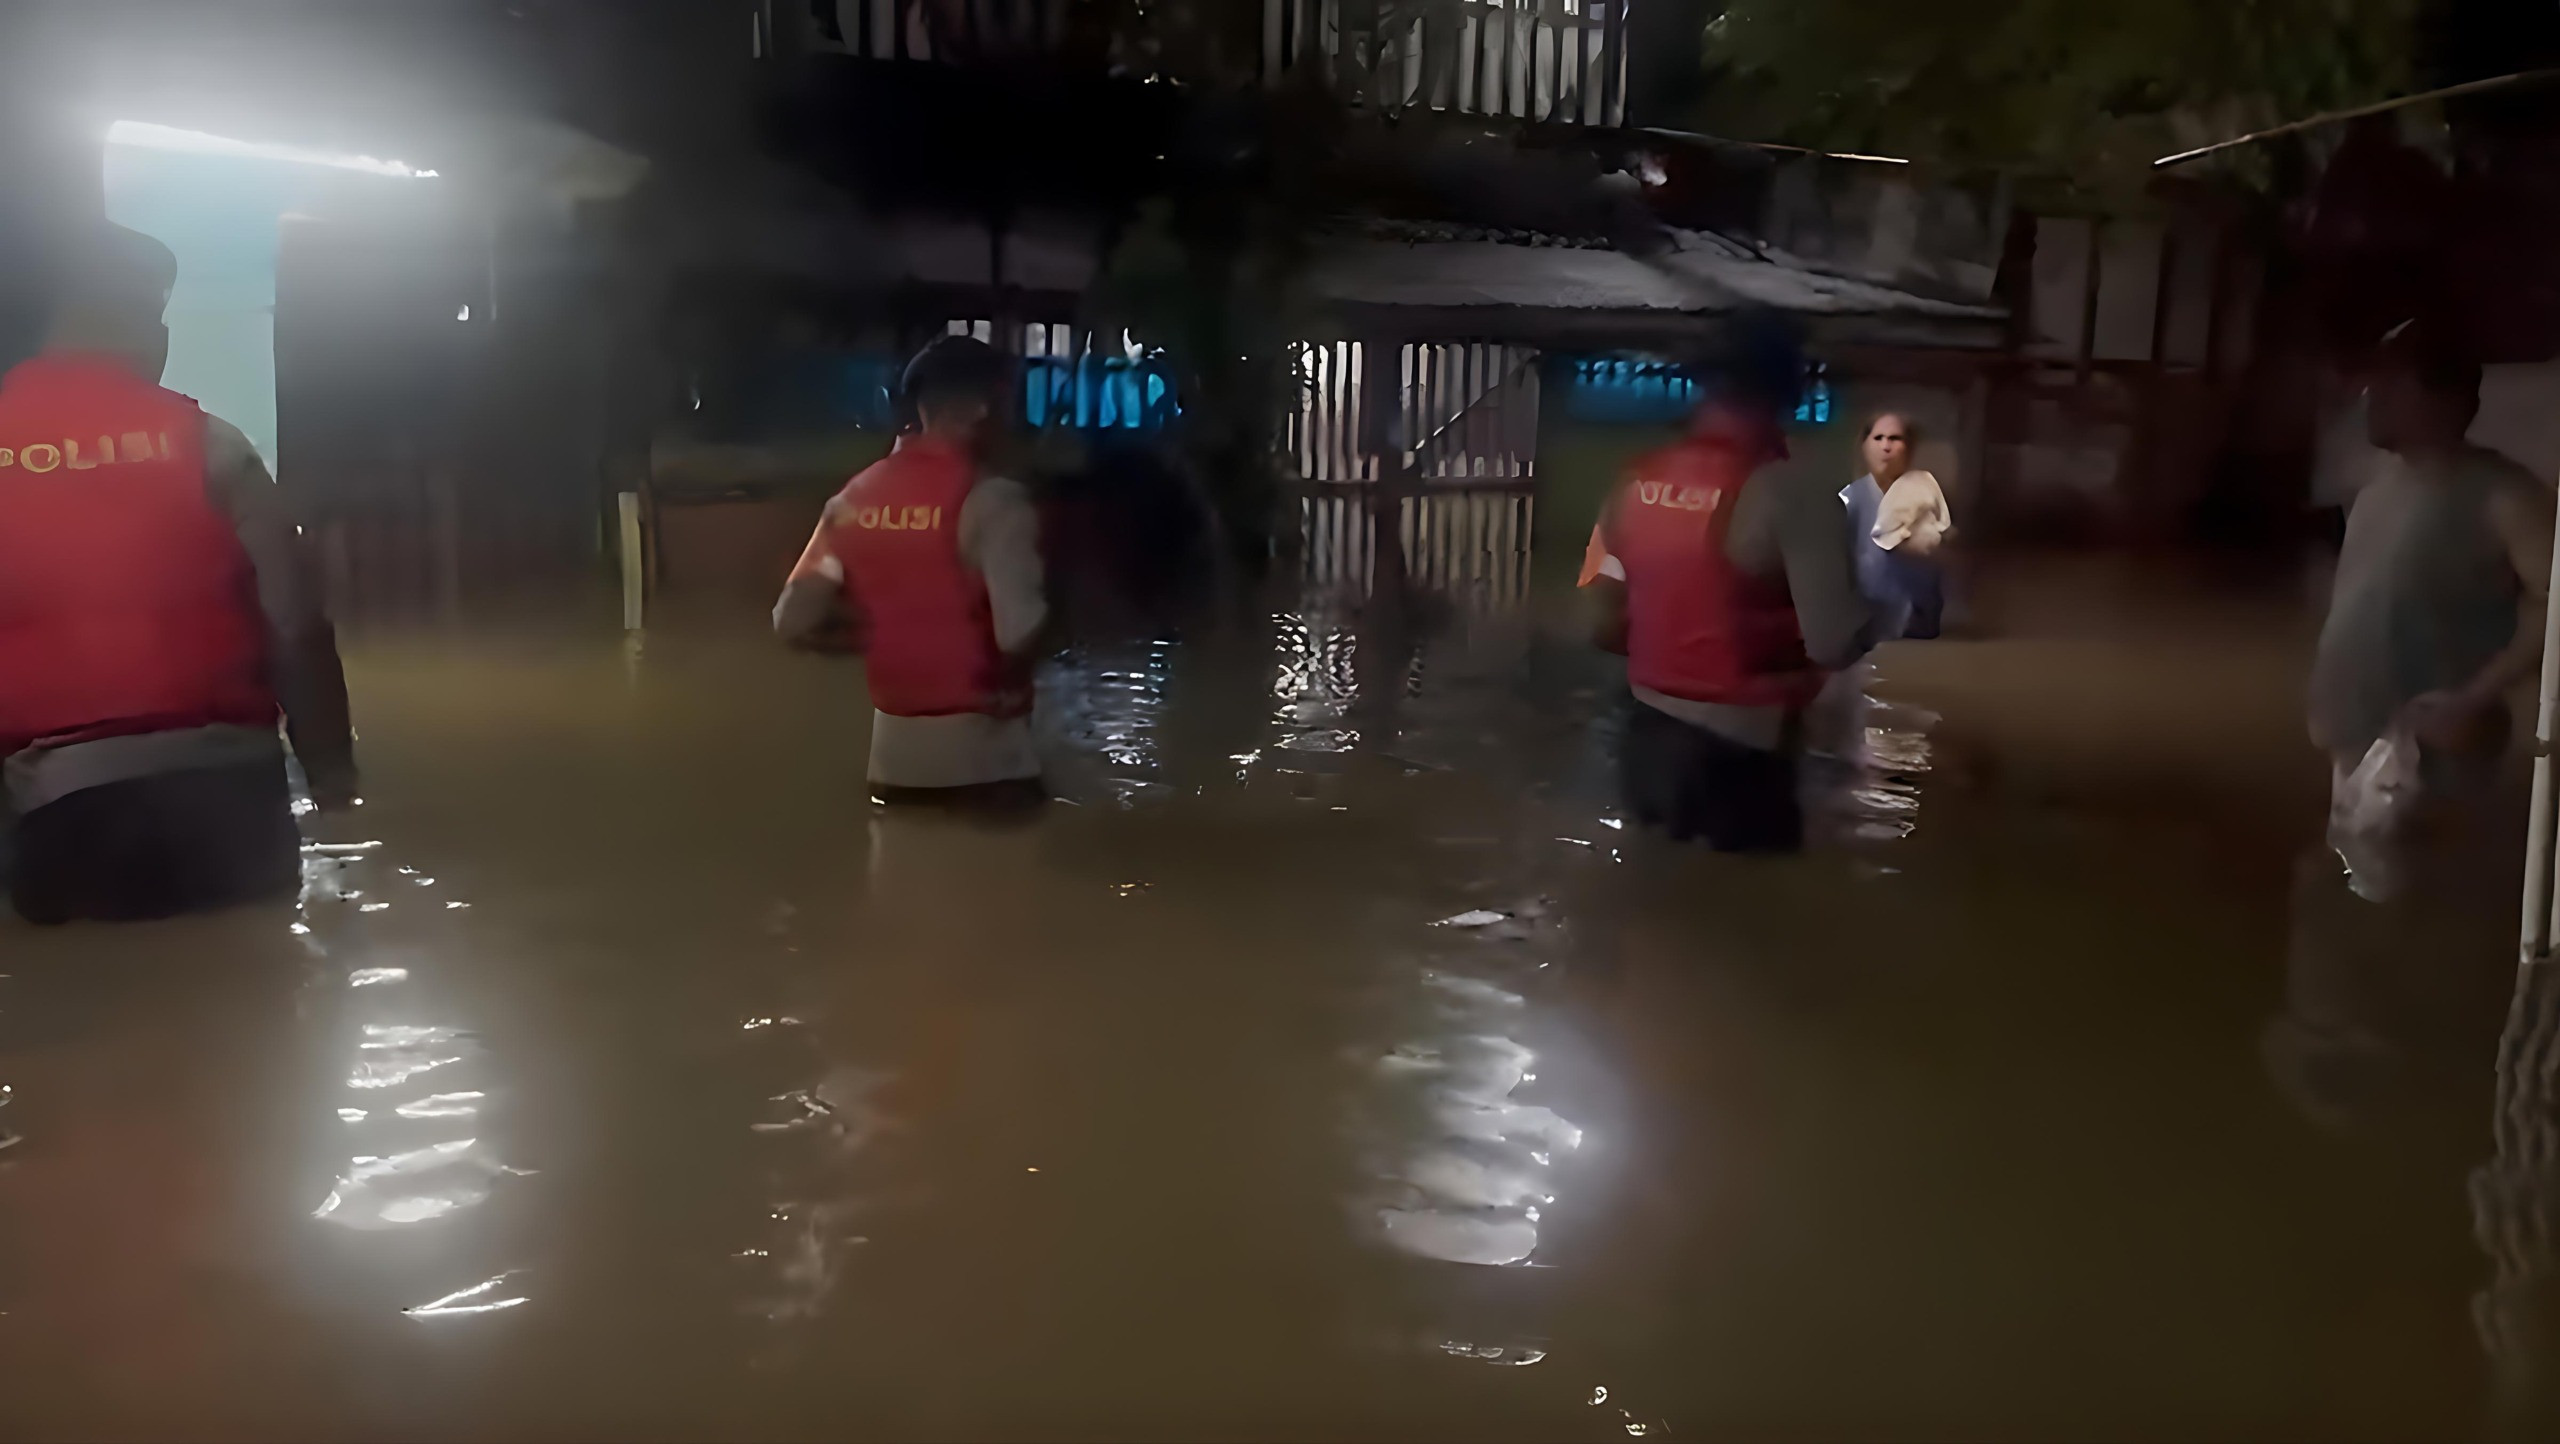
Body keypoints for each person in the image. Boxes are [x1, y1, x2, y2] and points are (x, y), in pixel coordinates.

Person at [0, 225, 357, 925]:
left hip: (65, 816)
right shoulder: (213, 443)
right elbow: (295, 624)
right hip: (237, 807)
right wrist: (332, 778)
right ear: (145, 329)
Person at [1581, 377, 1874, 852]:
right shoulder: (1791, 488)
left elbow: (1601, 621)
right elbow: (1833, 643)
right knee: (1746, 906)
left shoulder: (1635, 480)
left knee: (1650, 892)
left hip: (1645, 739)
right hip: (1745, 745)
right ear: (1789, 399)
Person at [773, 335, 1049, 807]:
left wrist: (885, 638)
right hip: (988, 771)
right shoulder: (996, 500)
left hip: (891, 770)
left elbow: (791, 623)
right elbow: (1019, 634)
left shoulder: (851, 501)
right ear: (984, 407)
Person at [2307, 319, 2552, 820]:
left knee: (2410, 879)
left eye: (2389, 384)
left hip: (2430, 753)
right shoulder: (2376, 484)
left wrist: (2470, 700)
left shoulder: (2503, 495)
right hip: (2357, 741)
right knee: (2355, 879)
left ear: (2443, 397)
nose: (2370, 398)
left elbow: (2556, 603)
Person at [1837, 411, 1950, 641]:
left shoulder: (1923, 489)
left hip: (1918, 620)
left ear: (1908, 447)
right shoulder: (1851, 497)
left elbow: (1942, 542)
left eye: (1895, 439)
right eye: (1878, 438)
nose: (1886, 446)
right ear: (1864, 445)